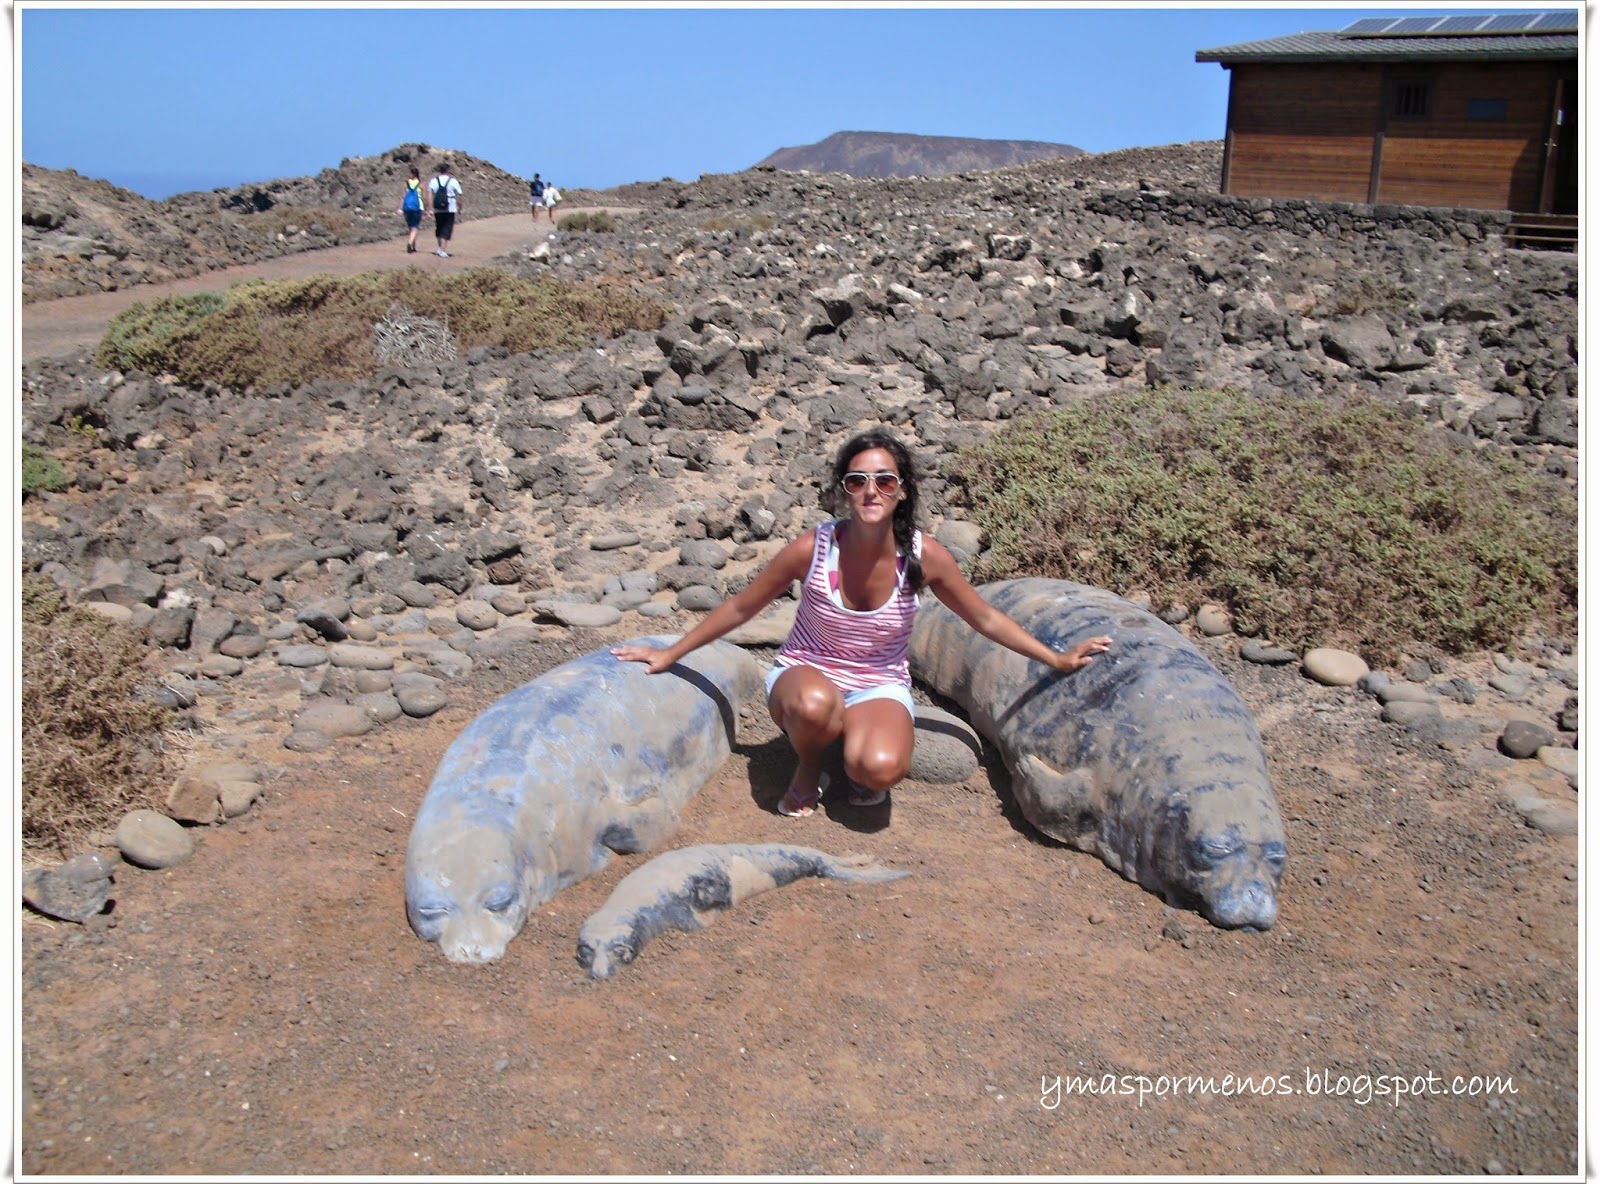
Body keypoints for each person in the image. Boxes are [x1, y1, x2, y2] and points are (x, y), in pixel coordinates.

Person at [612, 428, 1112, 818]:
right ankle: (810, 764)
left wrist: (1055, 657)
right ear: (843, 490)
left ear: (901, 490)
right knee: (812, 704)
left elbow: (981, 616)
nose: (871, 490)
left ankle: (851, 754)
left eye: (884, 480)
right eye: (858, 481)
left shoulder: (925, 556)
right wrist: (671, 653)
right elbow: (743, 607)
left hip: (878, 683)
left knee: (878, 769)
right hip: (806, 673)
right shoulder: (814, 548)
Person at [430, 160, 462, 258]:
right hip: (450, 208)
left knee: (439, 227)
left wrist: (430, 207)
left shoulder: (434, 180)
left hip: (438, 208)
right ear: (448, 170)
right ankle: (442, 250)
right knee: (447, 228)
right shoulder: (453, 181)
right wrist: (460, 207)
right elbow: (460, 195)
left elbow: (429, 193)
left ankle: (440, 248)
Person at [397, 166, 428, 254]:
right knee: (415, 227)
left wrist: (400, 208)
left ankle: (413, 246)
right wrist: (426, 209)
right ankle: (410, 243)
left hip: (406, 208)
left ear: (413, 174)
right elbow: (424, 198)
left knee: (411, 227)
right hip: (418, 208)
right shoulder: (421, 184)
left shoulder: (405, 183)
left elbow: (403, 197)